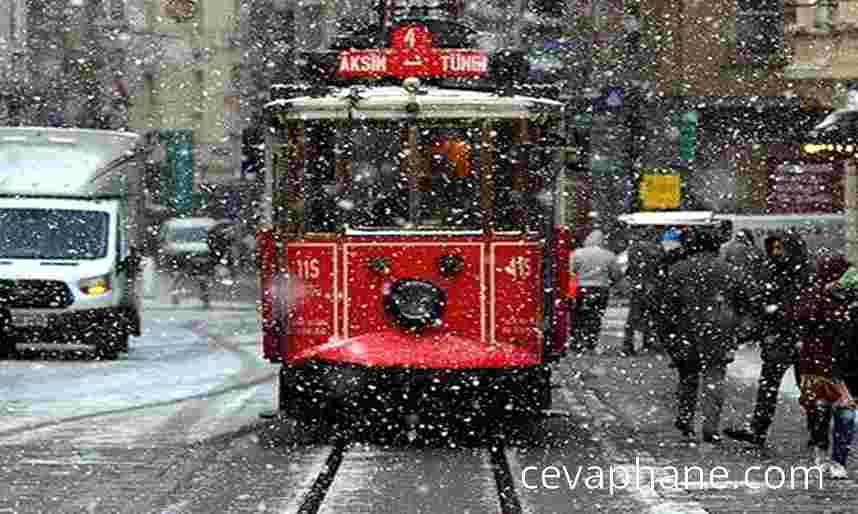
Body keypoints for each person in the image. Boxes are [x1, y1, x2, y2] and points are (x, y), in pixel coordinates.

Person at [661, 226, 754, 443]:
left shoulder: (679, 269)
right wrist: (739, 328)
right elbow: (746, 302)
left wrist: (669, 334)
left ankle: (685, 420)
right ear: (717, 246)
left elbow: (668, 306)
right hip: (719, 331)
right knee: (715, 378)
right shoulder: (730, 270)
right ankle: (710, 427)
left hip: (687, 329)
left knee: (688, 376)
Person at [724, 229, 812, 447]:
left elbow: (806, 306)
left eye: (779, 247)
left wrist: (778, 311)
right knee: (768, 386)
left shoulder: (805, 273)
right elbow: (762, 303)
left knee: (807, 388)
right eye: (773, 247)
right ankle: (758, 430)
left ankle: (817, 432)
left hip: (802, 339)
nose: (776, 252)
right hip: (778, 338)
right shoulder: (771, 271)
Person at [791, 254, 854, 479]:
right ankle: (822, 453)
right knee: (821, 410)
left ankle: (837, 460)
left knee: (845, 413)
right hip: (819, 365)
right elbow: (800, 316)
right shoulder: (814, 296)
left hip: (846, 364)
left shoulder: (848, 297)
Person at [570, 229, 622, 350]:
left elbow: (570, 270)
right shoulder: (609, 255)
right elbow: (616, 274)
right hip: (601, 288)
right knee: (596, 316)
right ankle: (591, 341)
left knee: (578, 316)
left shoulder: (577, 253)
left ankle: (576, 341)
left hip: (581, 288)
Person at [622, 225, 666, 355]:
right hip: (652, 285)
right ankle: (652, 342)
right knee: (654, 314)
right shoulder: (657, 248)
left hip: (638, 285)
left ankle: (628, 344)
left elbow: (630, 269)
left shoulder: (633, 248)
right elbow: (662, 268)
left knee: (633, 316)